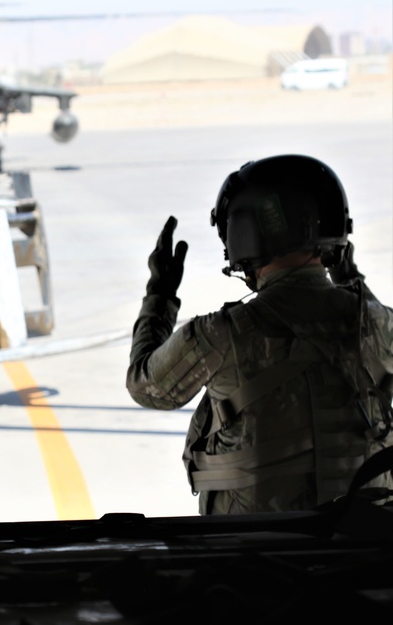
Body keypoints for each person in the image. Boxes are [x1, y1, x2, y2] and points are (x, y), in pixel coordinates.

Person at [126, 155, 393, 515]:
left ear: (243, 235)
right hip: (365, 545)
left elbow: (147, 387)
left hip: (257, 552)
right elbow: (368, 320)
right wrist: (350, 279)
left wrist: (159, 296)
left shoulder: (220, 334)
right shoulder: (375, 322)